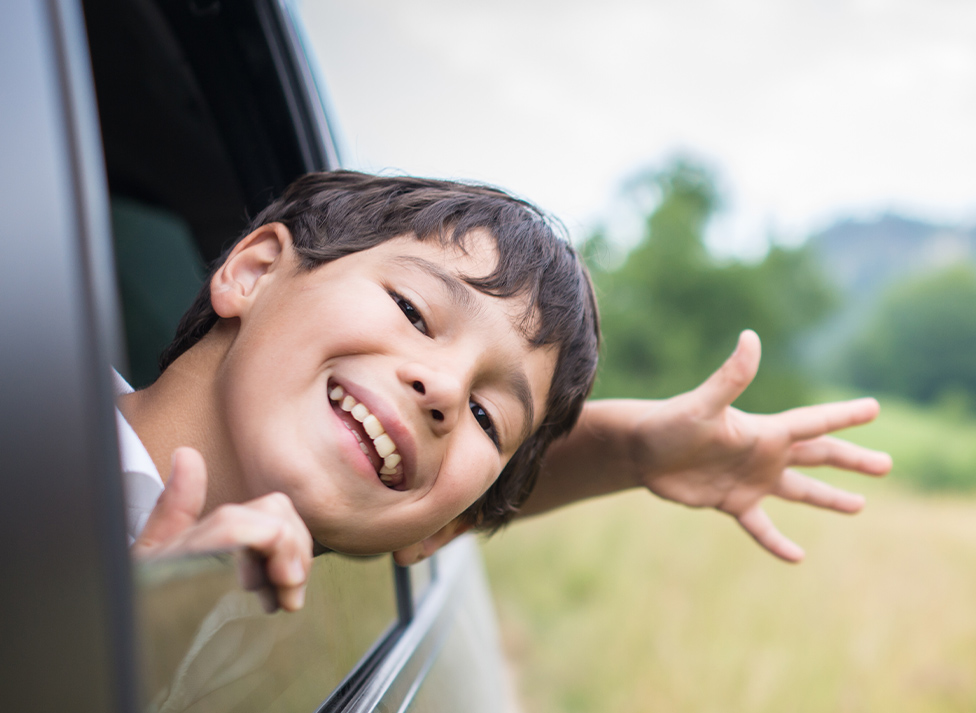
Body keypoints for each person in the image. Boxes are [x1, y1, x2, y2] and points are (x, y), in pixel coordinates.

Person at [120, 171, 891, 611]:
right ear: (254, 271)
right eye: (414, 310)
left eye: (488, 418)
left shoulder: (250, 597)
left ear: (434, 537)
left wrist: (627, 453)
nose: (446, 392)